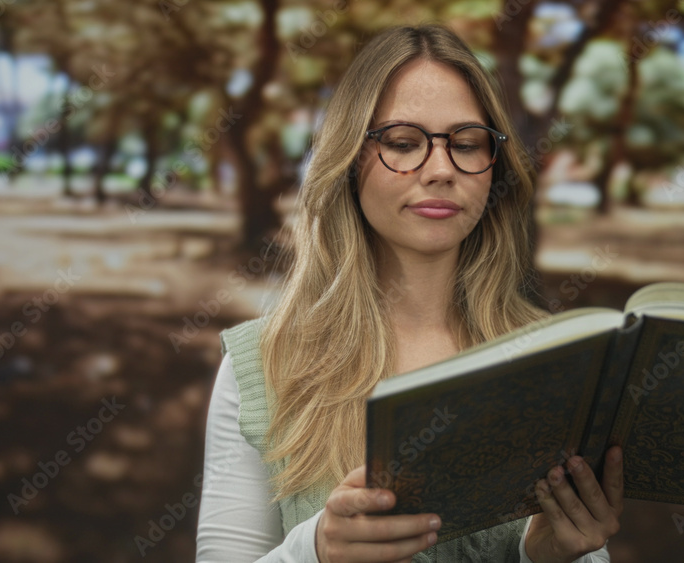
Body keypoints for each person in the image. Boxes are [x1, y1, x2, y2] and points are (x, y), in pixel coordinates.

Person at [196, 24, 624, 563]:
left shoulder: (555, 358)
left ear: (495, 167)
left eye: (467, 144)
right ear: (351, 160)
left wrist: (548, 557)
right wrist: (318, 550)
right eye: (403, 143)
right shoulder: (261, 364)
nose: (441, 170)